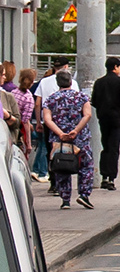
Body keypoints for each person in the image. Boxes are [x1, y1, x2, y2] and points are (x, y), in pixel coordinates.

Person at [42, 70, 94, 210]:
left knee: (62, 166)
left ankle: (65, 199)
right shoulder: (82, 97)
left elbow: (47, 119)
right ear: (71, 81)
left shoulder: (51, 99)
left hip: (60, 140)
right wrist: (76, 130)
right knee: (86, 165)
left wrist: (60, 133)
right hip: (80, 137)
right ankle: (84, 194)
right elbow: (87, 115)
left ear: (57, 83)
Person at [90, 57, 120, 192]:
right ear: (116, 67)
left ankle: (104, 176)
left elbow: (94, 101)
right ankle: (111, 177)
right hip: (116, 118)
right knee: (114, 147)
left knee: (105, 145)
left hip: (103, 117)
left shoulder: (99, 82)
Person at [36, 60, 73, 195]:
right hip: (69, 125)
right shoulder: (72, 82)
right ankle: (65, 182)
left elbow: (38, 103)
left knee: (51, 151)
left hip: (50, 123)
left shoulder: (44, 81)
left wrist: (39, 122)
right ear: (65, 67)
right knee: (68, 152)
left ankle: (53, 181)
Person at [14, 69, 35, 159]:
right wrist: (28, 143)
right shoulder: (28, 98)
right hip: (21, 130)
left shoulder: (13, 92)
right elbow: (25, 121)